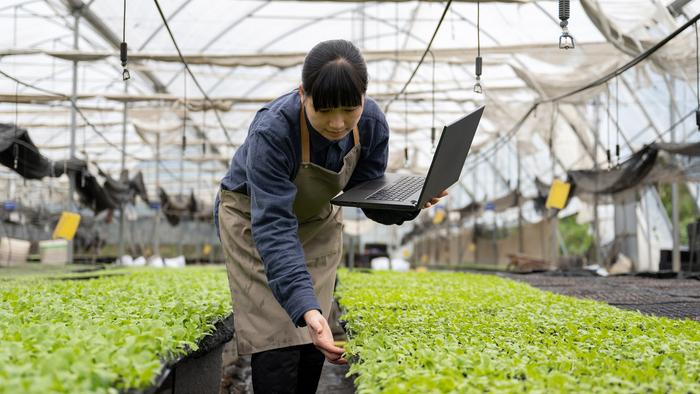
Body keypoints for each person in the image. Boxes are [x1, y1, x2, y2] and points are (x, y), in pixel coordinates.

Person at [215, 39, 447, 393]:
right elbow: (274, 228)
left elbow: (367, 199)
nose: (338, 123)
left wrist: (411, 203)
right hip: (256, 221)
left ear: (364, 98)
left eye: (349, 109)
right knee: (277, 339)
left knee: (312, 341)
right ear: (303, 93)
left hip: (319, 218)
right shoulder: (273, 132)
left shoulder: (371, 123)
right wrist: (305, 308)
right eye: (324, 111)